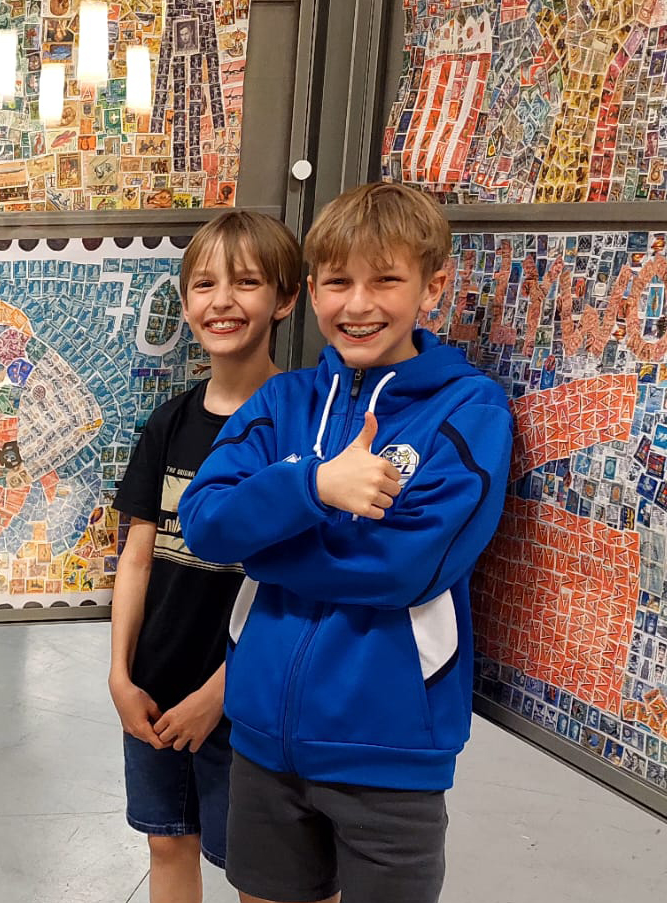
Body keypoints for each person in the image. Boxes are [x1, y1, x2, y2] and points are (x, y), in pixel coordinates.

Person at [178, 181, 513, 903]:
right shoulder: (284, 401)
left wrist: (264, 544)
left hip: (389, 747)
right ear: (312, 291)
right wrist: (314, 487)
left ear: (432, 286)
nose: (358, 305)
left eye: (386, 279)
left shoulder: (469, 410)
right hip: (261, 734)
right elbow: (204, 522)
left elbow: (405, 569)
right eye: (337, 282)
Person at [108, 211, 301, 903]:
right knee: (167, 842)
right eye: (205, 284)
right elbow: (137, 556)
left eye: (246, 282)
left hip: (248, 699)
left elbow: (297, 589)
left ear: (285, 298)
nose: (222, 301)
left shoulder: (301, 423)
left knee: (261, 873)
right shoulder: (169, 423)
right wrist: (120, 674)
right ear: (186, 303)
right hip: (156, 687)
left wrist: (220, 694)